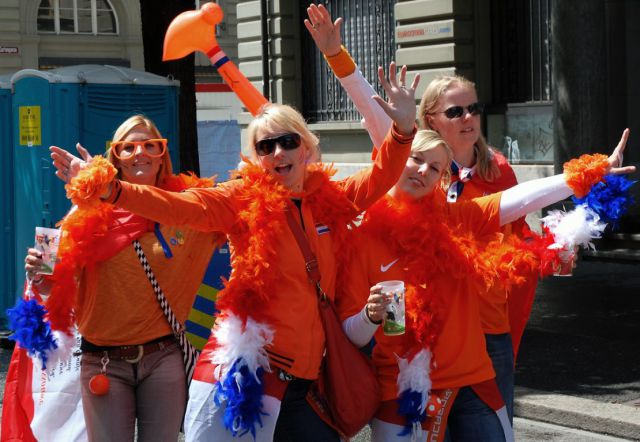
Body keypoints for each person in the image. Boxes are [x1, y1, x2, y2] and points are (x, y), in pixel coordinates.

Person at [60, 65, 419, 441]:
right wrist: (113, 191)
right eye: (266, 146)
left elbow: (381, 176)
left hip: (307, 378)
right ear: (257, 158)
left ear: (307, 146)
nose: (278, 152)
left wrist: (403, 131)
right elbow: (179, 206)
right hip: (250, 373)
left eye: (288, 141)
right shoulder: (239, 199)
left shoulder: (329, 198)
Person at [305, 3, 538, 421]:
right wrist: (335, 55)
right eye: (455, 111)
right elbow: (369, 103)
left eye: (473, 109)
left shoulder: (498, 168)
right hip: (431, 326)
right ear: (429, 118)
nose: (468, 118)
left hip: (488, 322)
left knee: (491, 424)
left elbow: (517, 231)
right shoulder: (408, 153)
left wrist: (550, 247)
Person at [336, 129, 634, 442]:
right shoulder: (361, 240)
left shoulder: (454, 219)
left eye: (435, 168)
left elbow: (516, 200)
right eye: (416, 159)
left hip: (472, 383)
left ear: (441, 179)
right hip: (404, 392)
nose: (423, 170)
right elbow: (351, 334)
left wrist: (589, 173)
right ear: (396, 159)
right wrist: (371, 316)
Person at [25, 114, 222, 441]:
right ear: (115, 160)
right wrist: (37, 271)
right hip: (103, 362)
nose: (139, 153)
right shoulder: (83, 214)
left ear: (163, 155)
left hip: (163, 359)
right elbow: (51, 286)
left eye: (150, 145)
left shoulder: (188, 209)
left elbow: (241, 213)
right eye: (127, 147)